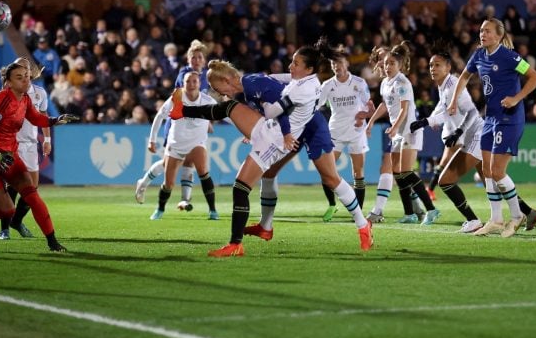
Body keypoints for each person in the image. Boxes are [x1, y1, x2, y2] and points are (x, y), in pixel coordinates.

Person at [170, 56, 373, 257]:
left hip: (310, 127)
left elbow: (281, 107)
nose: (218, 93)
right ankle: (265, 227)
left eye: (216, 88)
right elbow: (280, 91)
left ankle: (363, 225)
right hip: (286, 131)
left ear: (226, 81)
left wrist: (285, 133)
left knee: (330, 178)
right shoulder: (252, 86)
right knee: (268, 172)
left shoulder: (252, 83)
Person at [412, 42, 536, 232]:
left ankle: (474, 220)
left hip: (477, 134)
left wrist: (457, 131)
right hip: (473, 134)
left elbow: (472, 113)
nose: (433, 68)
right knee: (491, 180)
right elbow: (442, 111)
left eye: (437, 64)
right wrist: (425, 122)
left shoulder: (454, 85)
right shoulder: (444, 87)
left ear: (448, 67)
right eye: (431, 65)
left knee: (446, 180)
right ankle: (526, 212)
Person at [0, 61, 78, 251]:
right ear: (8, 82)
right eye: (19, 77)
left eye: (26, 76)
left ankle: (52, 241)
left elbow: (36, 118)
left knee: (32, 194)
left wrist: (54, 120)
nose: (25, 80)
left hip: (8, 155)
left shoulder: (25, 99)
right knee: (7, 211)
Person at [448, 18, 536, 237]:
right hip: (490, 118)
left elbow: (535, 77)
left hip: (509, 119)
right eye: (481, 30)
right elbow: (464, 76)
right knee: (487, 171)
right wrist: (454, 100)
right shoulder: (479, 55)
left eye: (488, 31)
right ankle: (496, 219)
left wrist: (516, 98)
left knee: (498, 171)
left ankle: (517, 216)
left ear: (499, 36)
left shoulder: (510, 57)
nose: (483, 34)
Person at [366, 41, 440, 224]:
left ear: (400, 65)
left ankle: (431, 209)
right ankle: (410, 214)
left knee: (406, 172)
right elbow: (385, 104)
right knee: (398, 173)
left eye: (392, 63)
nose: (388, 66)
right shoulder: (385, 83)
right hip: (397, 131)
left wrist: (394, 126)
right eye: (386, 63)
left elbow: (404, 109)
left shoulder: (402, 82)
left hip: (409, 130)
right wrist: (372, 121)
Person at [135, 40, 209, 210]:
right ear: (188, 59)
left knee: (187, 161)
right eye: (193, 57)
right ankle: (144, 182)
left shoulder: (205, 77)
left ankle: (184, 200)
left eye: (199, 57)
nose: (196, 60)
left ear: (204, 61)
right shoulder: (185, 74)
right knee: (171, 162)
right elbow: (178, 101)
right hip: (178, 124)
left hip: (194, 126)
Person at [147, 72, 219, 221]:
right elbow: (160, 116)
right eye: (188, 81)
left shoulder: (207, 100)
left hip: (196, 143)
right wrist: (152, 140)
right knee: (169, 183)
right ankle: (160, 209)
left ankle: (213, 210)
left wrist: (244, 131)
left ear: (199, 84)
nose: (191, 84)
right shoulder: (176, 98)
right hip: (176, 144)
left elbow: (225, 114)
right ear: (183, 84)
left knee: (203, 172)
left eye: (194, 81)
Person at [0, 57, 51, 240]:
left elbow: (43, 116)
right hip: (12, 144)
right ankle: (4, 229)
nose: (24, 73)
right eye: (20, 69)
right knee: (11, 186)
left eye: (27, 69)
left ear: (31, 72)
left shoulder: (39, 93)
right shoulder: (9, 92)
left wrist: (47, 139)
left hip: (30, 145)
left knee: (32, 188)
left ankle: (17, 221)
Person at [320, 51, 370, 210]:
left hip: (356, 130)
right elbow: (314, 106)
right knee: (326, 171)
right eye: (334, 64)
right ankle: (332, 204)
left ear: (347, 63)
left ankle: (359, 211)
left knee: (358, 173)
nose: (337, 67)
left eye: (340, 63)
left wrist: (366, 115)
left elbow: (369, 104)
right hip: (335, 131)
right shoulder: (327, 86)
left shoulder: (359, 82)